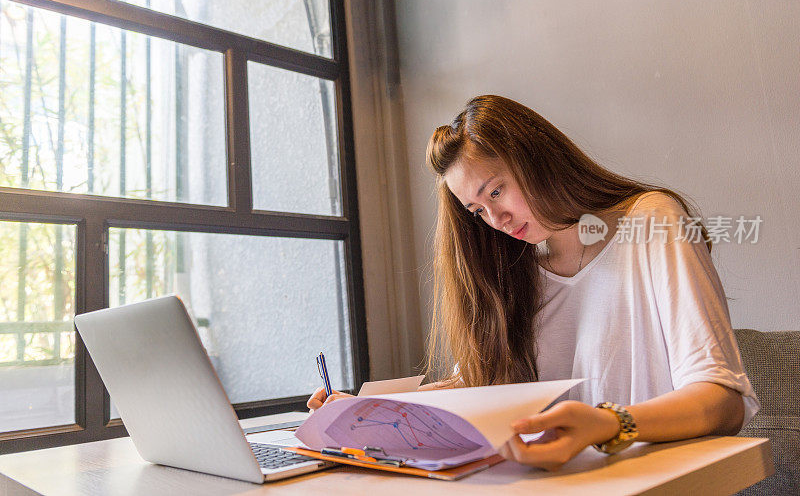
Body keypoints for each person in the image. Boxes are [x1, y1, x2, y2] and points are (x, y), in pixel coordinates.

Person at [307, 95, 758, 471]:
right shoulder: (521, 272)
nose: (495, 220)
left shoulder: (652, 221)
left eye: (496, 191)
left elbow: (722, 401)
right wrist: (365, 409)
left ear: (534, 158)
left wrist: (607, 424)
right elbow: (482, 384)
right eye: (478, 210)